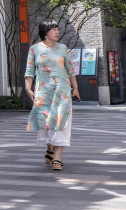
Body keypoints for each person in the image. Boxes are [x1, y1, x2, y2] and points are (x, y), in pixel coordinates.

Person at [24, 21, 81, 172]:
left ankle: (58, 156)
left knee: (62, 122)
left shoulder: (62, 48)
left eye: (57, 29)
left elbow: (70, 70)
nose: (57, 32)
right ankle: (50, 148)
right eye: (54, 30)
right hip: (43, 92)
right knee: (46, 122)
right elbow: (29, 72)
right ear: (45, 31)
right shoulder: (34, 49)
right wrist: (28, 88)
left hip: (62, 91)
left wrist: (75, 88)